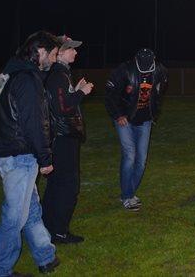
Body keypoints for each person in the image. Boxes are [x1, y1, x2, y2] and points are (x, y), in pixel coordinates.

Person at [0, 31, 61, 276]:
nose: (54, 59)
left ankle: (45, 256)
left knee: (31, 208)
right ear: (41, 52)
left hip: (4, 148)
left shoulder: (10, 72)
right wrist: (45, 158)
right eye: (53, 54)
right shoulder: (27, 79)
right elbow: (34, 122)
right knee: (14, 217)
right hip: (19, 153)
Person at [41, 36, 94, 245]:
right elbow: (62, 108)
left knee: (56, 184)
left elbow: (61, 100)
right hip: (63, 138)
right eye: (71, 49)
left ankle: (48, 228)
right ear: (60, 52)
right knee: (67, 186)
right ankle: (59, 231)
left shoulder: (59, 73)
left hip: (60, 137)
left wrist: (74, 90)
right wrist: (81, 92)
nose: (76, 52)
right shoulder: (58, 75)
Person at [104, 47, 168, 211]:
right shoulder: (124, 70)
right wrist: (118, 115)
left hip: (145, 120)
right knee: (130, 155)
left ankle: (128, 193)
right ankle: (127, 197)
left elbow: (159, 93)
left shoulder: (159, 71)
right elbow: (110, 94)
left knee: (141, 160)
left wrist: (154, 112)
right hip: (124, 118)